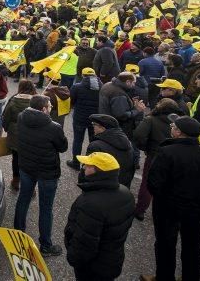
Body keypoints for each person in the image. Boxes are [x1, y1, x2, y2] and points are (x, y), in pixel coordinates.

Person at [142, 115, 200, 281]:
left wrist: (164, 200)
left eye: (173, 126)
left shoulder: (166, 152)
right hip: (198, 209)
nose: (171, 128)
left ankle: (164, 277)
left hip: (167, 208)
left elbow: (154, 182)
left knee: (165, 244)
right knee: (192, 245)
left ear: (178, 132)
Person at [64, 152, 135, 281]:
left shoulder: (90, 203)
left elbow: (84, 242)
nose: (84, 167)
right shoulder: (127, 194)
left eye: (89, 165)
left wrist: (73, 258)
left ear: (100, 172)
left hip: (92, 268)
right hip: (112, 260)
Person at [14, 94, 68, 257]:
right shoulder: (54, 127)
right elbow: (63, 147)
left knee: (23, 199)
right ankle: (45, 245)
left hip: (26, 167)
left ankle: (18, 235)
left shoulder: (22, 117)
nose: (51, 107)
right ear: (43, 109)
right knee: (46, 207)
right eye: (50, 105)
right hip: (47, 172)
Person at [132, 98, 183, 220]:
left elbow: (138, 135)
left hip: (155, 155)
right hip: (175, 156)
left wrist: (145, 147)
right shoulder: (181, 121)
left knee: (147, 183)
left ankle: (140, 210)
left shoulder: (151, 119)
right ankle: (163, 212)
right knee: (168, 184)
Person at [1, 80, 37, 191]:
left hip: (15, 134)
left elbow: (5, 117)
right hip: (32, 136)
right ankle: (30, 186)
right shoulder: (37, 101)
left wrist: (6, 129)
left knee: (16, 158)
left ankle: (16, 180)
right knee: (31, 160)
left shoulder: (13, 100)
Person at [85, 114, 135, 188]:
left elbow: (88, 171)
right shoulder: (128, 143)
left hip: (101, 189)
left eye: (94, 124)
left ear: (102, 127)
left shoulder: (95, 146)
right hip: (122, 187)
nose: (93, 127)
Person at [67, 67, 101, 169]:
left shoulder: (77, 87)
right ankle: (90, 163)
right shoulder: (102, 86)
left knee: (78, 140)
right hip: (95, 119)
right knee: (93, 141)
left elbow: (71, 101)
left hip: (80, 117)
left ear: (82, 75)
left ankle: (76, 163)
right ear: (95, 75)